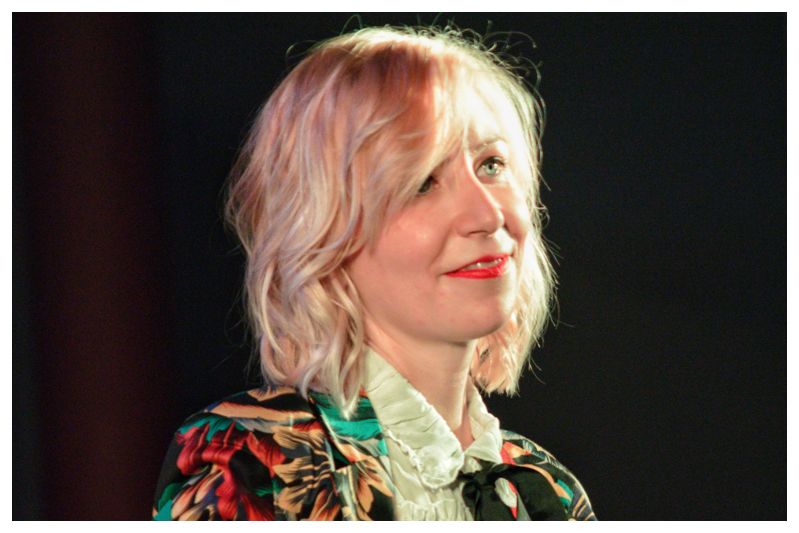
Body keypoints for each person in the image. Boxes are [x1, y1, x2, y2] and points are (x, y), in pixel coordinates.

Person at [152, 25, 596, 521]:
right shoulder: (258, 461)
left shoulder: (547, 492)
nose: (488, 214)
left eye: (492, 165)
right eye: (423, 181)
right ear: (322, 230)